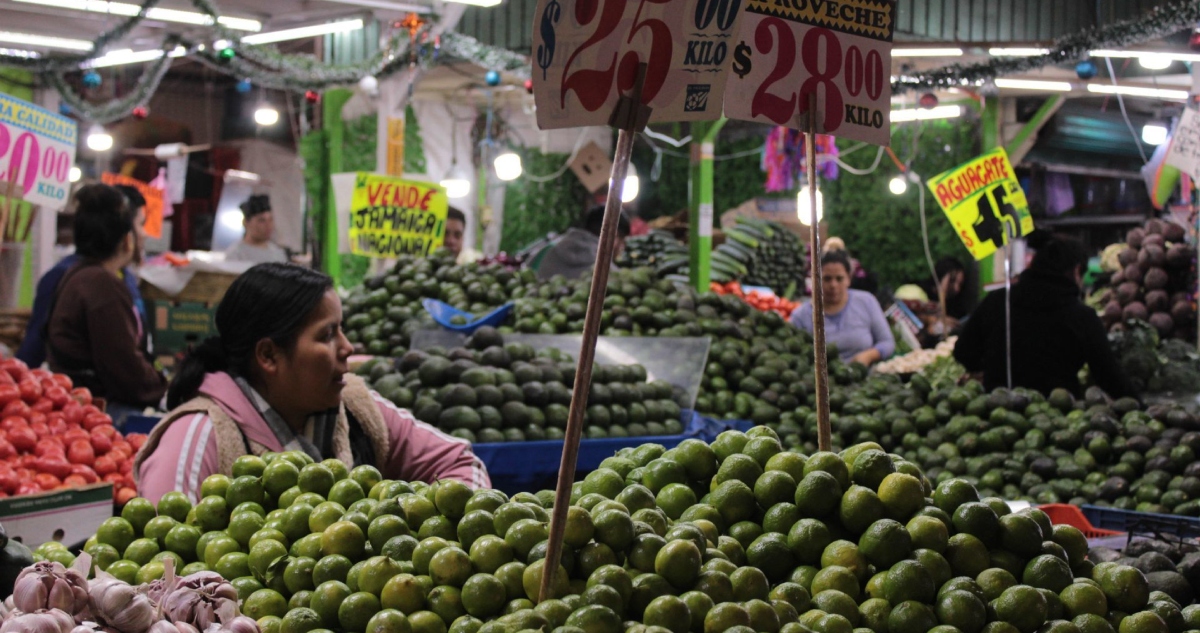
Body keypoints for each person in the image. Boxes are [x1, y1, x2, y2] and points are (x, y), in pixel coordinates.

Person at [133, 263, 489, 503]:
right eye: (328, 334)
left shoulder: (356, 408)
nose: (348, 348)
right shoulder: (197, 438)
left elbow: (461, 463)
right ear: (269, 356)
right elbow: (159, 574)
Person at [953, 231, 1136, 398]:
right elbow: (1109, 377)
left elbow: (963, 351)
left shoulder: (998, 301)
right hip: (1058, 421)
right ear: (1076, 271)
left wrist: (994, 368)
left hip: (998, 415)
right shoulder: (1082, 316)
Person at [45, 184, 166, 423]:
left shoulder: (80, 275)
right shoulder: (101, 285)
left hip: (82, 405)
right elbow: (125, 370)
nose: (143, 234)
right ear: (126, 240)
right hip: (99, 412)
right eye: (140, 226)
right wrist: (166, 390)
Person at [18, 186, 148, 368]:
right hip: (86, 393)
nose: (145, 234)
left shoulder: (125, 279)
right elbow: (32, 351)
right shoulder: (62, 276)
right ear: (127, 236)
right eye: (141, 224)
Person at [791, 250, 895, 366]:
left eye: (839, 278)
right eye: (827, 279)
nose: (833, 285)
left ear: (848, 279)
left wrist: (869, 356)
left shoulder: (866, 302)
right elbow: (794, 355)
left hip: (866, 378)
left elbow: (887, 342)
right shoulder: (801, 316)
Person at [536, 205, 630, 281]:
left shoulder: (551, 252)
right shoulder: (606, 271)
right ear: (613, 235)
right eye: (622, 241)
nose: (622, 247)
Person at [224, 194, 288, 264]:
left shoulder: (277, 253)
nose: (268, 225)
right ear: (246, 223)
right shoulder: (236, 254)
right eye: (261, 220)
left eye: (270, 220)